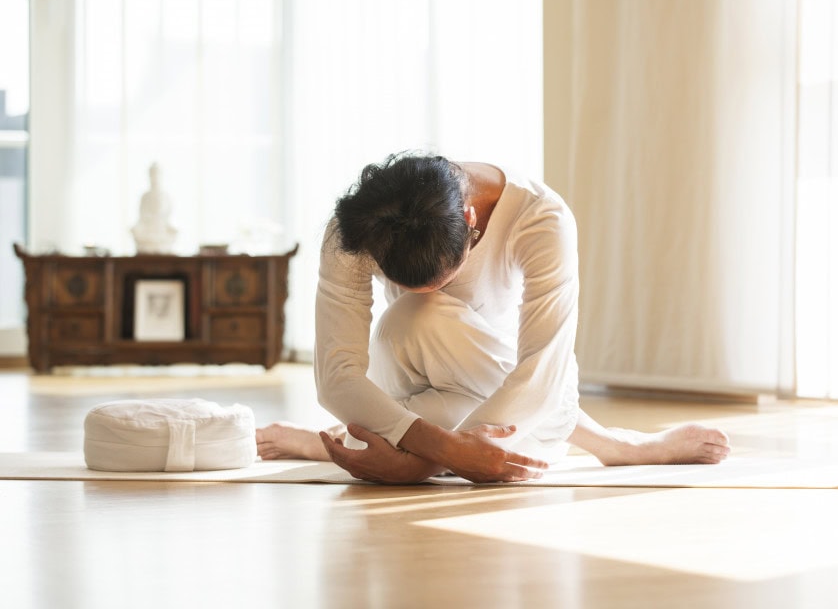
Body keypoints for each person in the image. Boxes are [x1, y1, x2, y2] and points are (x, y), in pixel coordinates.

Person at [256, 152, 730, 483]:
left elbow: (543, 369)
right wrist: (445, 451)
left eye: (446, 276)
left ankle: (336, 443)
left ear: (469, 219)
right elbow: (336, 377)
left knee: (398, 408)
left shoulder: (541, 217)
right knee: (411, 316)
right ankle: (609, 445)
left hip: (511, 387)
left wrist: (419, 462)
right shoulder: (356, 229)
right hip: (408, 373)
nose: (440, 291)